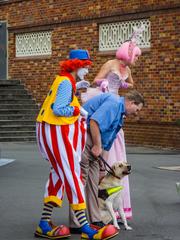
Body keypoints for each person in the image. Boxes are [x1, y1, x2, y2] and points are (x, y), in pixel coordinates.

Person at [34, 49, 118, 240]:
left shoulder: (64, 80)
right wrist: (78, 111)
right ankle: (86, 228)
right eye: (85, 66)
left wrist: (76, 91)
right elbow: (59, 109)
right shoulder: (65, 82)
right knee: (73, 176)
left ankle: (44, 223)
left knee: (58, 177)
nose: (88, 71)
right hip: (58, 133)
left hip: (52, 133)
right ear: (77, 65)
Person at [69, 90, 144, 230]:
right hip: (84, 136)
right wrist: (97, 145)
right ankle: (76, 223)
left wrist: (102, 164)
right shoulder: (114, 103)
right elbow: (94, 122)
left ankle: (95, 220)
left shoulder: (119, 111)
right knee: (81, 181)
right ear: (132, 102)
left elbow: (107, 139)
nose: (136, 113)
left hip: (94, 141)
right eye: (137, 109)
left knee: (94, 183)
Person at [92, 30, 142, 221]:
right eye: (135, 56)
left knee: (117, 149)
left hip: (118, 107)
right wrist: (105, 83)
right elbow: (96, 80)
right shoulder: (110, 64)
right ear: (128, 53)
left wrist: (125, 85)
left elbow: (131, 84)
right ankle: (101, 208)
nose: (136, 60)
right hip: (106, 103)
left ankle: (119, 208)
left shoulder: (127, 70)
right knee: (106, 147)